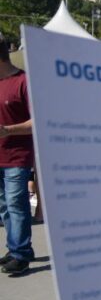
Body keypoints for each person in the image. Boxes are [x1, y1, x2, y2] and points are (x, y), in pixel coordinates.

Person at [0, 34, 35, 274]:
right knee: (4, 205)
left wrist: (8, 130)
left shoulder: (23, 81)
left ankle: (21, 254)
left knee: (16, 203)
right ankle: (14, 247)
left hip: (18, 156)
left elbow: (38, 120)